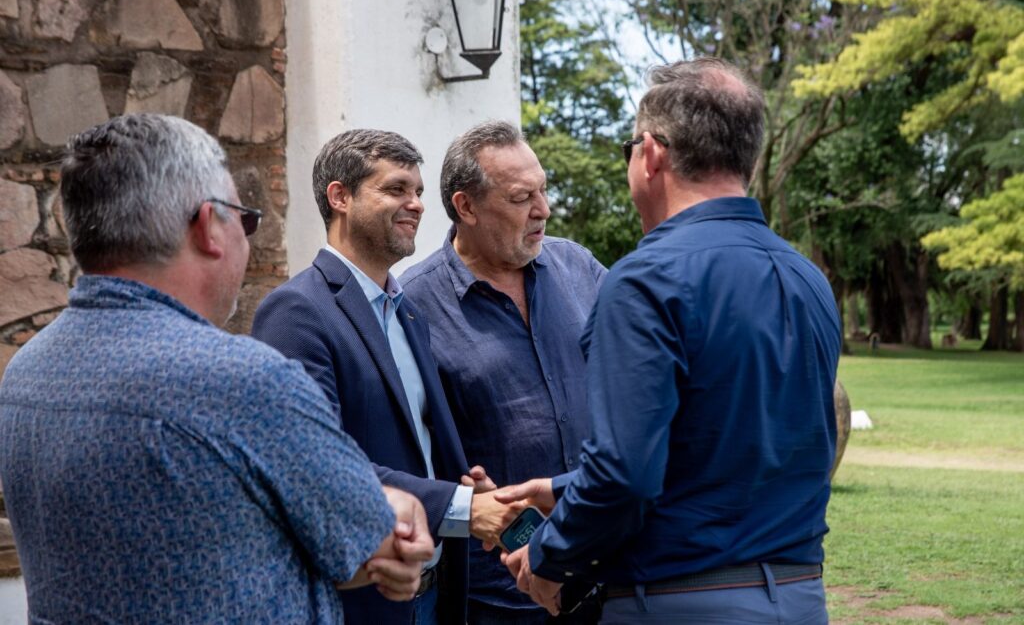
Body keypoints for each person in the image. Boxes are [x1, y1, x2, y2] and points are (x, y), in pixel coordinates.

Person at [0, 114, 433, 624]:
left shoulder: (25, 371)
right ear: (208, 226)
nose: (247, 240)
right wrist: (399, 511)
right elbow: (372, 539)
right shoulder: (242, 381)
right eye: (245, 219)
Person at [500, 58, 843, 623]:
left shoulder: (646, 280)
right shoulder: (807, 278)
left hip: (680, 600)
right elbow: (729, 445)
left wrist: (546, 554)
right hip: (800, 594)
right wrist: (562, 488)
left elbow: (626, 475)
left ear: (652, 154)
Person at [252, 129, 522, 625]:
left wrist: (469, 485)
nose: (417, 204)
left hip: (437, 593)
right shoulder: (295, 312)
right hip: (362, 600)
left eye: (418, 191)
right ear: (340, 197)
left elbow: (419, 439)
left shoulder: (407, 312)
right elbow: (316, 462)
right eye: (396, 189)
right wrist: (463, 507)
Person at [400, 120, 606, 624]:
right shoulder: (413, 303)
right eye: (521, 198)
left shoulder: (578, 268)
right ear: (465, 206)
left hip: (606, 572)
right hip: (497, 593)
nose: (543, 210)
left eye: (543, 190)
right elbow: (406, 441)